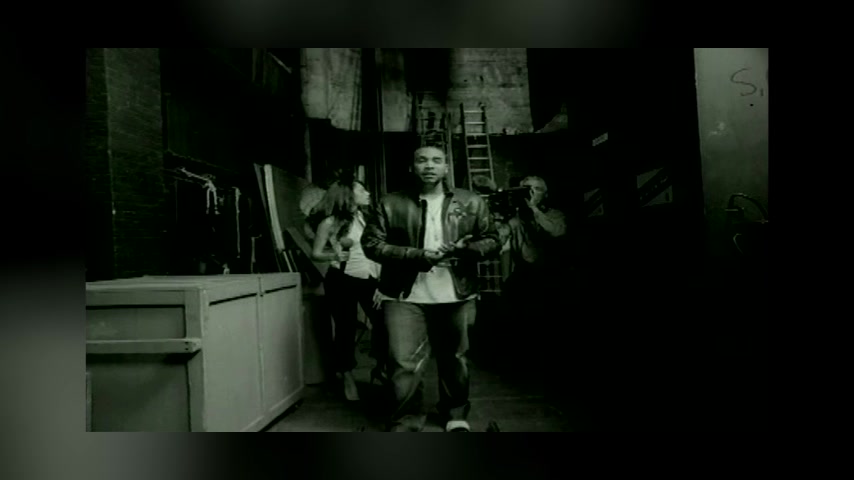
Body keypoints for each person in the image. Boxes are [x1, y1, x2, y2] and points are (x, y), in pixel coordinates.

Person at [361, 145, 501, 432]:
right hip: (403, 294)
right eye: (422, 160)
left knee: (455, 359)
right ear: (412, 166)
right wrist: (417, 256)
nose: (429, 165)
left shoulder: (471, 201)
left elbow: (493, 240)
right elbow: (371, 244)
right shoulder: (390, 202)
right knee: (403, 363)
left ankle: (455, 414)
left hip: (456, 293)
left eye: (437, 160)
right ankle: (406, 421)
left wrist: (466, 249)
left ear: (446, 167)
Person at [308, 176, 388, 402]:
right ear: (348, 195)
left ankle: (381, 366)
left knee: (384, 323)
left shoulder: (368, 218)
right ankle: (347, 375)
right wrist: (333, 255)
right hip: (341, 280)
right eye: (362, 190)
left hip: (370, 278)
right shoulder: (330, 223)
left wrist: (382, 283)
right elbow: (316, 253)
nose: (368, 194)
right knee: (346, 329)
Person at [502, 175, 568, 378]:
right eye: (525, 189)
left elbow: (556, 232)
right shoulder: (515, 220)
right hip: (525, 276)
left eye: (535, 189)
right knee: (522, 324)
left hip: (551, 275)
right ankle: (525, 367)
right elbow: (502, 244)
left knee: (550, 325)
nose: (530, 193)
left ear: (545, 194)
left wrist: (533, 209)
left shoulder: (555, 214)